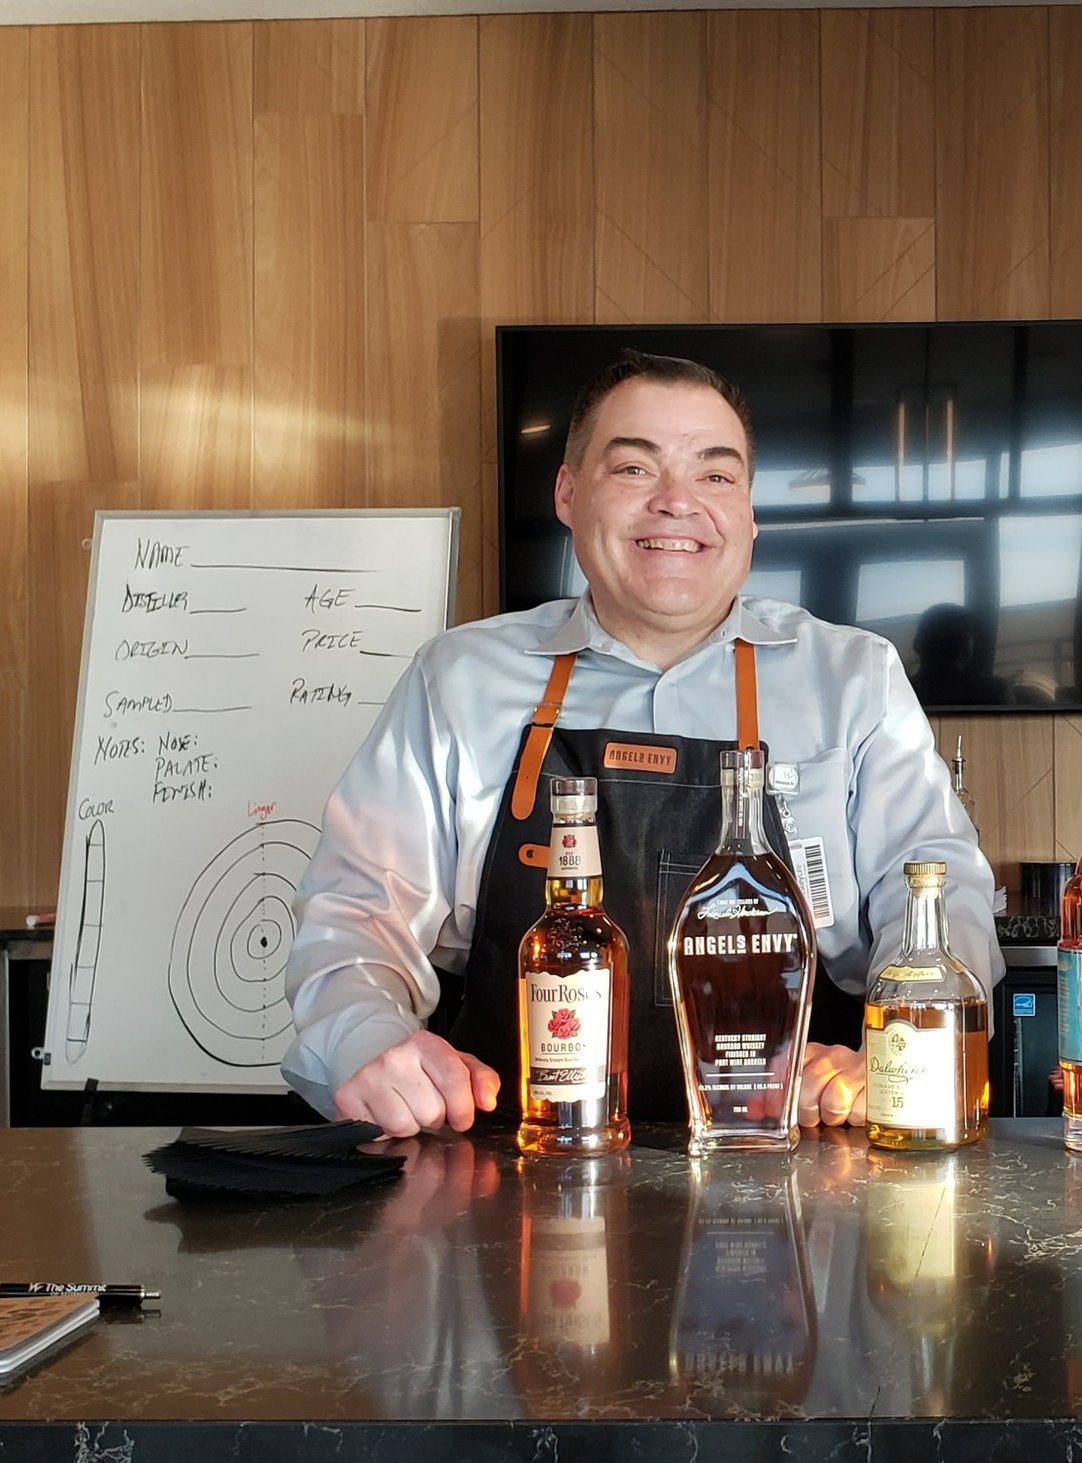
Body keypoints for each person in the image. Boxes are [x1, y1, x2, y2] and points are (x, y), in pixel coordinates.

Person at [282, 351, 1002, 1138]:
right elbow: (358, 909)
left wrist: (907, 1044)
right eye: (634, 467)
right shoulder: (456, 679)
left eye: (715, 475)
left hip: (800, 1160)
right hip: (517, 1165)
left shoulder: (854, 678)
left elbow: (935, 886)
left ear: (750, 513)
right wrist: (368, 1037)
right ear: (568, 492)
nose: (677, 502)